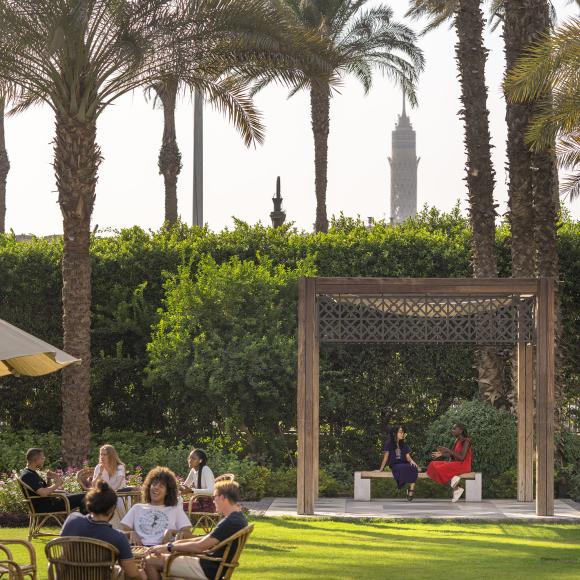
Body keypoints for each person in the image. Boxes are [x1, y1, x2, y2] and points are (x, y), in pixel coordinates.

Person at [144, 480, 248, 580]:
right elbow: (205, 539)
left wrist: (170, 547)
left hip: (207, 568)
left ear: (222, 497)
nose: (213, 500)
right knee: (163, 558)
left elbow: (200, 546)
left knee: (150, 561)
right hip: (210, 564)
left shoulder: (231, 521)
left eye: (214, 497)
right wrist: (174, 544)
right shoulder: (238, 518)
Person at [61, 481, 145, 580]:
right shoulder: (117, 538)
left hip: (68, 576)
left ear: (89, 503)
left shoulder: (72, 520)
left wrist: (126, 534)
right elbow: (132, 573)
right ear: (112, 508)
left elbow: (93, 531)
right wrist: (142, 574)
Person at [120, 467, 191, 546]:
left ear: (167, 491)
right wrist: (130, 533)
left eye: (161, 486)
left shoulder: (175, 510)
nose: (156, 487)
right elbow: (120, 532)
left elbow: (190, 535)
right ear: (149, 487)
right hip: (139, 551)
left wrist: (172, 532)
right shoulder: (137, 508)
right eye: (154, 484)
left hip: (164, 552)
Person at [19, 448, 86, 513]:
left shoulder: (30, 472)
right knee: (85, 496)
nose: (44, 460)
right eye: (42, 458)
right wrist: (57, 484)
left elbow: (44, 489)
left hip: (50, 502)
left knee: (84, 495)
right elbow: (43, 493)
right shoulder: (28, 475)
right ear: (35, 460)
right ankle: (88, 522)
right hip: (46, 506)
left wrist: (49, 479)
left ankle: (85, 521)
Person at [426, 423, 472, 502]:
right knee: (433, 464)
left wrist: (448, 450)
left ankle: (456, 486)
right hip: (455, 464)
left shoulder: (466, 441)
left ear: (460, 431)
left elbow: (461, 457)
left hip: (463, 465)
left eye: (454, 429)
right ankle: (456, 485)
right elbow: (453, 455)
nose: (452, 430)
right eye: (452, 429)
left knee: (439, 468)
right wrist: (442, 454)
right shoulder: (457, 440)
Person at [378, 425, 420, 501]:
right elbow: (386, 457)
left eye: (403, 432)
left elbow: (408, 457)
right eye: (400, 432)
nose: (402, 434)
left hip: (404, 463)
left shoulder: (404, 444)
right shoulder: (389, 443)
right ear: (395, 433)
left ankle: (411, 490)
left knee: (414, 468)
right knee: (405, 467)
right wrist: (381, 469)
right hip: (395, 465)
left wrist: (413, 462)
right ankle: (406, 487)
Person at [181, 449, 216, 513]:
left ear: (200, 460)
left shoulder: (206, 470)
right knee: (173, 505)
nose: (190, 460)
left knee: (178, 507)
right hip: (197, 502)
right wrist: (177, 487)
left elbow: (211, 491)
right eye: (189, 458)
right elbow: (185, 486)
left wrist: (191, 490)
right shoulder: (193, 470)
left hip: (207, 505)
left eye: (193, 458)